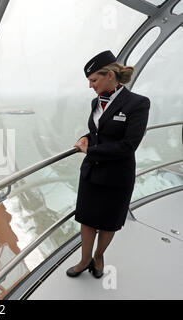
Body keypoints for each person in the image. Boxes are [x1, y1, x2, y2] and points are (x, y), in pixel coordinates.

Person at [66, 50, 150, 278]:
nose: (90, 86)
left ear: (110, 75)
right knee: (86, 218)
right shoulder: (96, 101)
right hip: (92, 172)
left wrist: (91, 150)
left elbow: (129, 144)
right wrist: (86, 137)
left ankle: (99, 256)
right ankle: (84, 260)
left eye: (93, 80)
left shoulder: (138, 103)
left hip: (117, 175)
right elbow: (100, 130)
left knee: (109, 222)